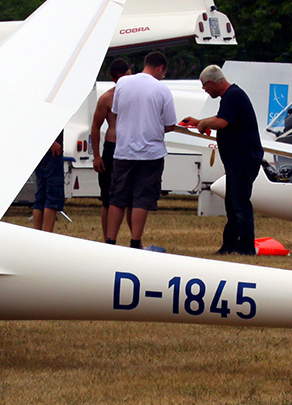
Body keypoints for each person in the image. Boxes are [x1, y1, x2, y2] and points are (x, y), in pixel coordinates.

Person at [183, 64, 262, 255]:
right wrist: (197, 121)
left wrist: (205, 123)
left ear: (211, 82)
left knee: (240, 203)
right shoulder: (232, 96)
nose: (204, 90)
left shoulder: (233, 95)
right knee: (233, 202)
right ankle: (230, 246)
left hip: (243, 158)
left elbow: (222, 121)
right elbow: (223, 117)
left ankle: (246, 248)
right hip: (239, 159)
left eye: (204, 86)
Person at [105, 51, 177, 248]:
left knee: (118, 197)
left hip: (124, 149)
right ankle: (135, 242)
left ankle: (110, 240)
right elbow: (170, 124)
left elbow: (117, 111)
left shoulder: (123, 83)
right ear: (160, 68)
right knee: (141, 199)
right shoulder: (162, 90)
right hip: (151, 152)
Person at [90, 58, 132, 240]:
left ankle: (135, 239)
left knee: (131, 198)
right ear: (114, 79)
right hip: (112, 146)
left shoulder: (136, 95)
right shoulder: (107, 98)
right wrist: (97, 156)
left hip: (131, 147)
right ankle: (107, 239)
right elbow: (95, 126)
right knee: (108, 198)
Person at [31, 131, 65, 232]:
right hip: (52, 153)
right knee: (52, 197)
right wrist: (51, 142)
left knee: (41, 196)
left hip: (41, 151)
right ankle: (47, 235)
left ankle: (37, 235)